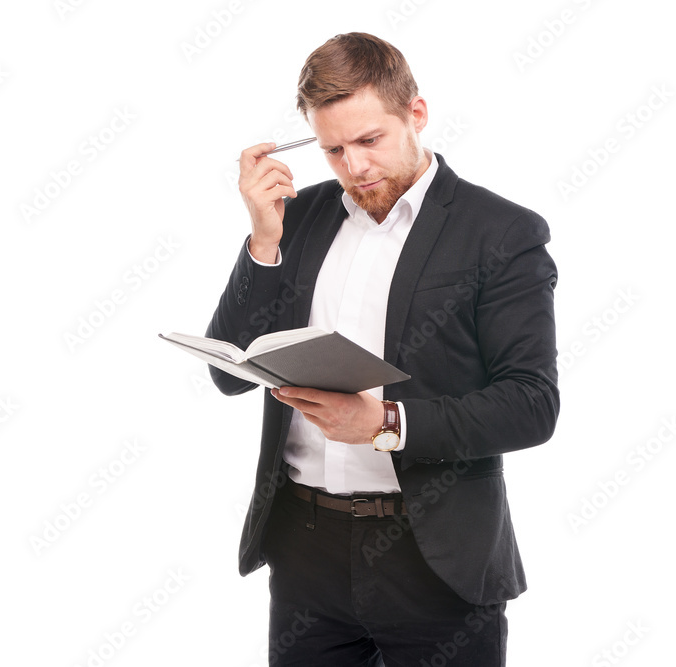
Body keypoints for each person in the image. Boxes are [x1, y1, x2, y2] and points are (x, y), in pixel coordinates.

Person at [206, 32, 559, 666]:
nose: (356, 166)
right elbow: (229, 375)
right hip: (304, 552)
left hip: (436, 558)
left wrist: (387, 423)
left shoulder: (501, 233)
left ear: (415, 115)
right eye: (333, 148)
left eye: (370, 140)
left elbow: (531, 405)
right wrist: (263, 239)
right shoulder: (299, 216)